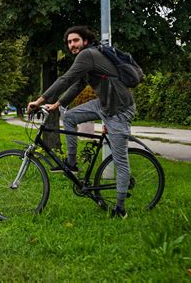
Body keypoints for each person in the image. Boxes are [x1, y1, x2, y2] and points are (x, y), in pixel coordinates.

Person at [27, 26, 136, 218]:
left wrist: (39, 101)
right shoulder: (88, 58)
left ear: (85, 41)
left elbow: (65, 79)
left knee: (120, 160)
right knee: (68, 117)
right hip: (103, 104)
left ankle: (120, 209)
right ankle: (72, 163)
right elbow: (77, 85)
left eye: (75, 40)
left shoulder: (88, 55)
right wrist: (58, 104)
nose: (71, 45)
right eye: (69, 42)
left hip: (119, 109)